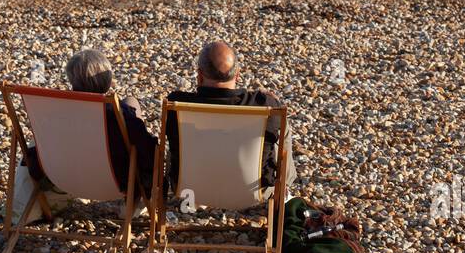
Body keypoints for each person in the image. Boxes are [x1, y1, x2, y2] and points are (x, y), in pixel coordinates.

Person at [20, 49, 157, 206]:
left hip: (63, 179)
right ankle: (133, 206)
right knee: (131, 103)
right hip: (117, 182)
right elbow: (144, 147)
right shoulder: (119, 114)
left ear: (72, 81)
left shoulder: (55, 113)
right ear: (108, 80)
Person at [163, 40, 296, 202]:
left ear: (199, 76)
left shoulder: (176, 104)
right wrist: (274, 101)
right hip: (255, 191)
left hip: (188, 189)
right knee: (282, 126)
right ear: (238, 75)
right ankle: (283, 191)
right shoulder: (264, 104)